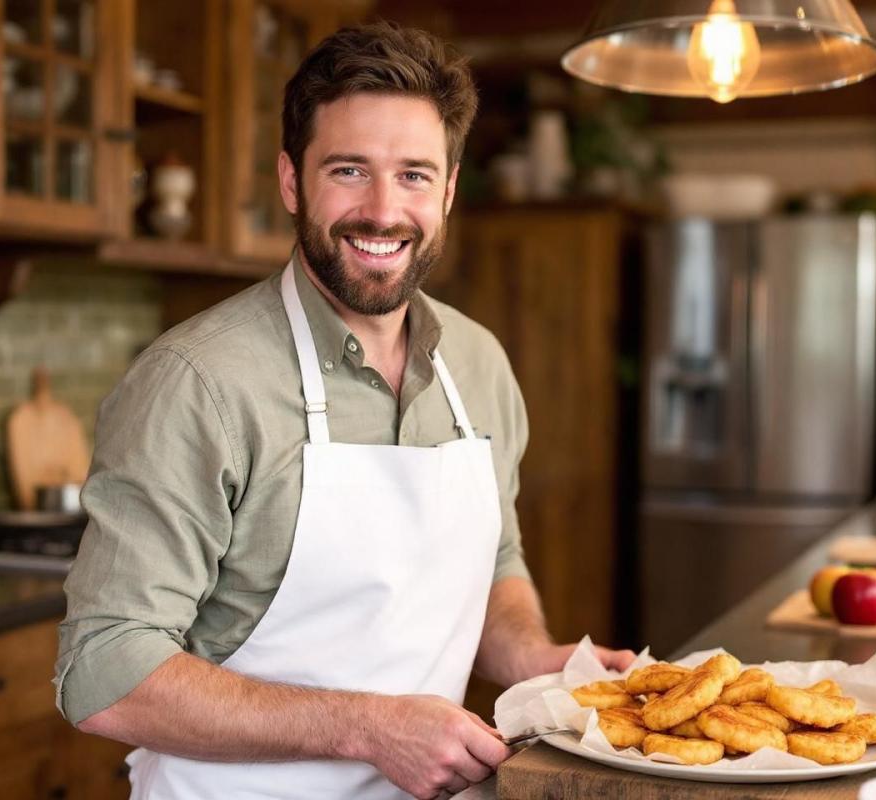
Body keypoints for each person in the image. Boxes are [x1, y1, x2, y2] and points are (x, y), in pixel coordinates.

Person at [54, 21, 635, 799]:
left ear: (450, 190)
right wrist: (365, 726)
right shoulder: (196, 382)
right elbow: (104, 670)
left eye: (415, 175)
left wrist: (535, 658)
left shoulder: (478, 364)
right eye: (350, 170)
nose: (384, 211)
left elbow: (491, 562)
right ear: (293, 181)